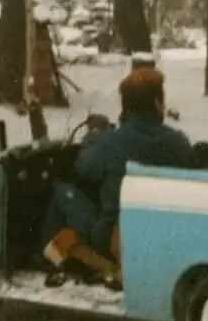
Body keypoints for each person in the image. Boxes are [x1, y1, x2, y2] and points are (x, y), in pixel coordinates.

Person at [40, 66, 196, 281]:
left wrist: (94, 137)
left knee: (61, 190)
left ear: (126, 106)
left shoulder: (110, 142)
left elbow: (83, 169)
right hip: (161, 231)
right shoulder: (179, 142)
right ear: (157, 103)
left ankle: (51, 259)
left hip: (111, 235)